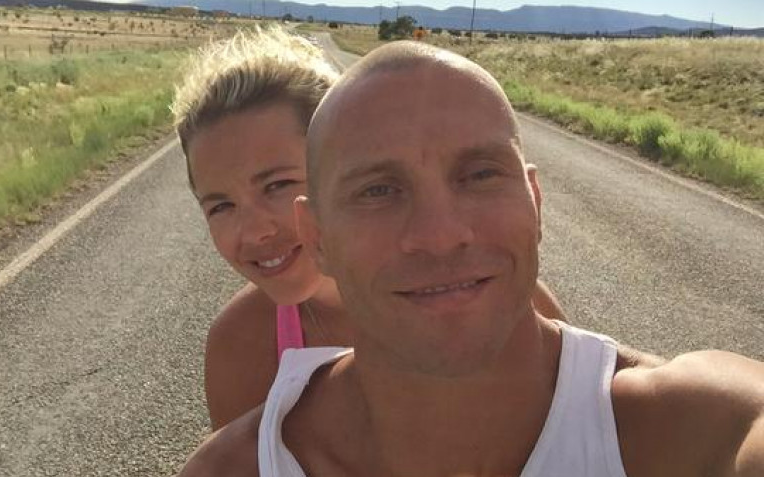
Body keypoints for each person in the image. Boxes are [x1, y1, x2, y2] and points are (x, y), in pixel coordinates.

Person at [179, 41, 764, 477]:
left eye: (481, 174)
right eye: (377, 190)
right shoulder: (239, 420)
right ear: (319, 232)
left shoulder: (684, 424)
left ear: (535, 201)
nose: (440, 237)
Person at [172, 28, 567, 431]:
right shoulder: (242, 344)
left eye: (277, 186)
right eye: (221, 206)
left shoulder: (507, 299)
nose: (255, 231)